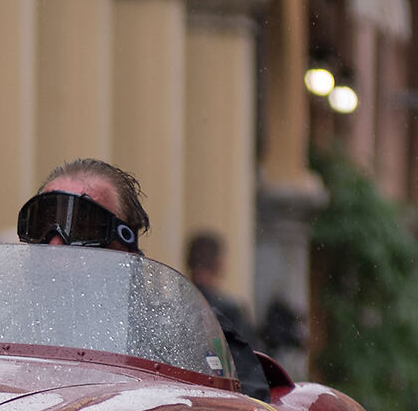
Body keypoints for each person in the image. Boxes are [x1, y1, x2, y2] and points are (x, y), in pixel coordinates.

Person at [14, 159, 272, 397]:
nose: (55, 244)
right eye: (42, 224)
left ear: (128, 247)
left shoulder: (186, 331)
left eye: (82, 226)